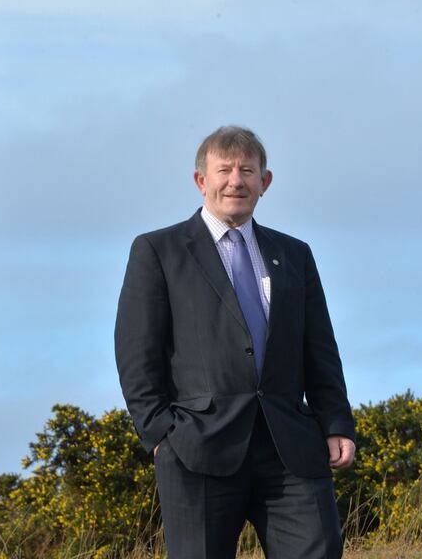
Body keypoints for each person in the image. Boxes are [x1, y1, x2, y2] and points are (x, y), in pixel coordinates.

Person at [114, 126, 356, 558]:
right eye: (223, 170)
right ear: (200, 180)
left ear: (265, 181)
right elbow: (136, 351)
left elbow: (319, 347)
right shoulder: (159, 250)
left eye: (247, 170)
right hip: (197, 448)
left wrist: (336, 422)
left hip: (290, 448)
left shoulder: (295, 254)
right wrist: (160, 433)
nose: (235, 181)